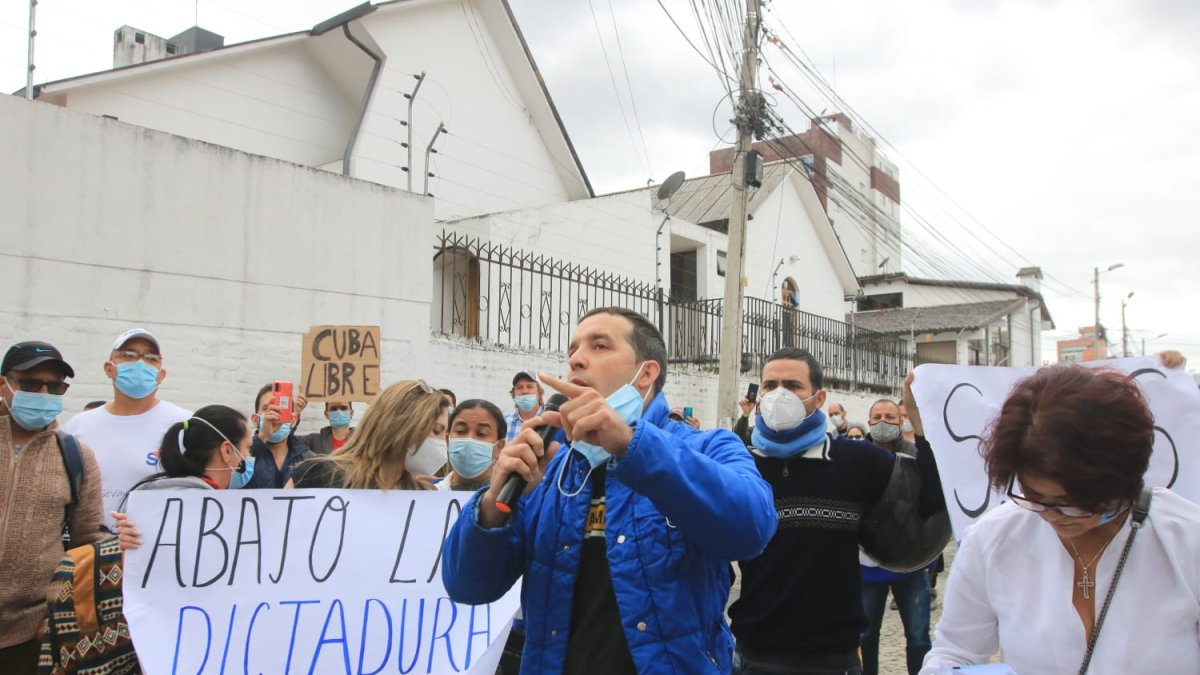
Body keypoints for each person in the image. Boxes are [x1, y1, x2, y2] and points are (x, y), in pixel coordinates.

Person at [442, 307, 777, 673]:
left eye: (599, 346)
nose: (577, 360)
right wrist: (494, 504)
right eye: (572, 351)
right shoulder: (550, 468)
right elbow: (467, 586)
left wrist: (630, 444)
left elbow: (752, 528)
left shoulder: (707, 447)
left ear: (646, 373)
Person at [920, 366, 1200, 674]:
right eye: (1035, 497)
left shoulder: (1186, 538)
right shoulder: (993, 539)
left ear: (1122, 480)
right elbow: (955, 651)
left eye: (1073, 503)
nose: (1054, 517)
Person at [728, 351, 947, 675]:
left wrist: (921, 424)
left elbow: (929, 500)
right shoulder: (743, 464)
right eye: (770, 385)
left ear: (819, 398)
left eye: (792, 385)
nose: (779, 394)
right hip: (753, 655)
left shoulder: (856, 460)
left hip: (832, 658)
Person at [0, 341, 104, 674]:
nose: (44, 393)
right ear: (4, 384)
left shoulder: (77, 457)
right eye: (31, 384)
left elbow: (86, 543)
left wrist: (59, 613)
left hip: (27, 636)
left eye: (55, 386)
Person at [63, 328, 190, 531]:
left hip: (157, 552)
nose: (140, 363)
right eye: (128, 355)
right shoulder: (78, 427)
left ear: (161, 374)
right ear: (109, 368)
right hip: (90, 552)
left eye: (151, 358)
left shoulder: (185, 424)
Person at [859, 399, 932, 675]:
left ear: (900, 422)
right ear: (869, 421)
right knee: (866, 637)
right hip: (867, 567)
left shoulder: (915, 456)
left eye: (890, 416)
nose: (882, 421)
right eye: (876, 416)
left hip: (910, 567)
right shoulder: (857, 457)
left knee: (918, 637)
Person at [288, 379, 445, 490]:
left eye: (445, 431)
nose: (441, 441)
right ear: (402, 427)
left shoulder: (421, 495)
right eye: (435, 430)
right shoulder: (318, 475)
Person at [246, 383, 313, 489]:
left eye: (281, 409)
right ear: (255, 419)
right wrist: (263, 436)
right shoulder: (242, 457)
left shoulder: (309, 460)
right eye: (266, 409)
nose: (274, 414)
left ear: (293, 420)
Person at [437, 399, 506, 492]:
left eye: (482, 433)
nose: (469, 439)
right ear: (447, 440)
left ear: (499, 447)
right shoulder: (425, 495)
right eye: (460, 431)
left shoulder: (516, 500)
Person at [504, 370, 543, 442]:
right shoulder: (504, 421)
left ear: (539, 392)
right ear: (514, 393)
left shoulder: (550, 420)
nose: (524, 391)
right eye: (519, 387)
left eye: (529, 387)